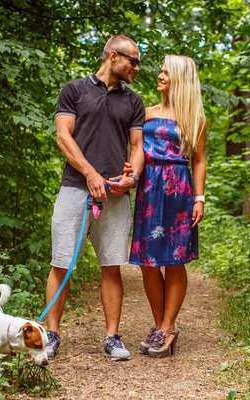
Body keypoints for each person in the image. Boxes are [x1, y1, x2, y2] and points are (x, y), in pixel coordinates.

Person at [45, 34, 145, 361]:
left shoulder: (133, 101)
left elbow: (137, 148)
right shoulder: (74, 90)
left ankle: (112, 337)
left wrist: (132, 178)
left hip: (115, 196)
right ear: (114, 56)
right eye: (133, 60)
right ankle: (52, 334)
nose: (137, 67)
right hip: (74, 188)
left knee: (111, 267)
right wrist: (90, 173)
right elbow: (63, 137)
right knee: (61, 263)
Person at [128, 55, 206, 358]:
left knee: (174, 259)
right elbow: (135, 148)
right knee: (148, 260)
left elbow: (199, 160)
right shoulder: (145, 113)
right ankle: (159, 325)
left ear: (180, 79)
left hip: (178, 189)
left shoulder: (194, 118)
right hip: (148, 188)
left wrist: (199, 198)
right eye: (160, 71)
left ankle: (168, 327)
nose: (159, 76)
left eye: (166, 72)